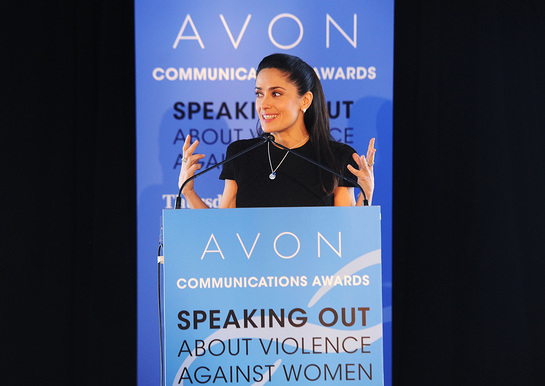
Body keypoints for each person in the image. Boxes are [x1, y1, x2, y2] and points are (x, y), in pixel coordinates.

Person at [178, 53, 375, 208]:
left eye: (276, 94)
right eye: (259, 93)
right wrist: (187, 192)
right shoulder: (239, 154)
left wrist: (366, 195)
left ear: (305, 100)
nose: (263, 104)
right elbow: (221, 231)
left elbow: (346, 238)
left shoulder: (336, 158)